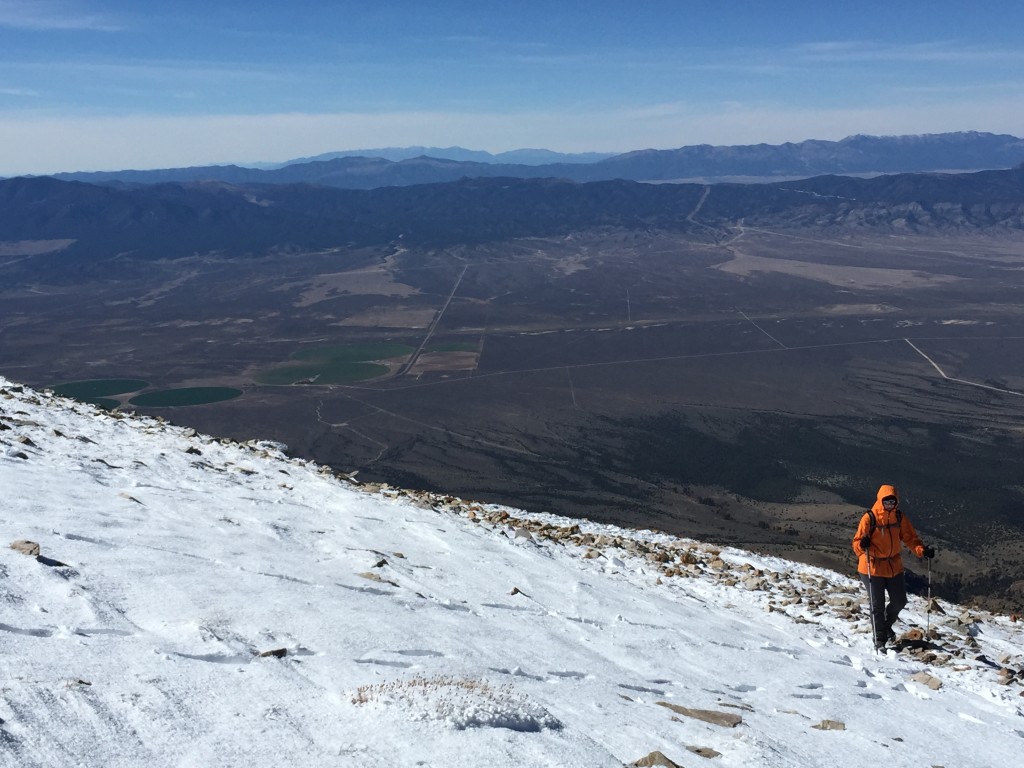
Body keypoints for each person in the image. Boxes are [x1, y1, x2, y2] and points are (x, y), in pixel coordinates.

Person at [852, 484, 935, 649]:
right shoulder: (870, 518)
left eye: (892, 502)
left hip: (893, 566)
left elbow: (910, 538)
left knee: (899, 601)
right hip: (872, 566)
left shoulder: (899, 517)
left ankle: (884, 626)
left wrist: (922, 550)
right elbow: (856, 544)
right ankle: (880, 640)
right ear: (880, 501)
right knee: (877, 605)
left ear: (896, 502)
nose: (889, 505)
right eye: (887, 502)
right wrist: (863, 544)